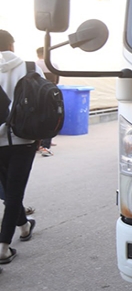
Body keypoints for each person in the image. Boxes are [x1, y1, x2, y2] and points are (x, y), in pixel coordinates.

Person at [0, 30, 39, 265]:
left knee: (8, 190)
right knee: (14, 192)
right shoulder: (31, 67)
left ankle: (24, 226)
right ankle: (3, 247)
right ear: (12, 45)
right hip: (24, 139)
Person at [35, 47, 59, 157]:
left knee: (37, 118)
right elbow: (57, 80)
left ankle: (38, 143)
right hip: (50, 94)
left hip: (37, 95)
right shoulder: (54, 65)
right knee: (50, 118)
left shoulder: (34, 65)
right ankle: (46, 145)